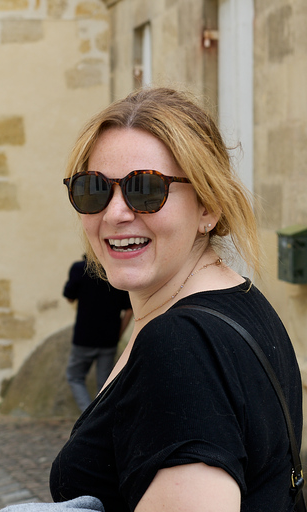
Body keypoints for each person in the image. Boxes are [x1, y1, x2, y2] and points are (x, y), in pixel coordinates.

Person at [50, 87, 302, 511]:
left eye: (146, 189)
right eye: (94, 189)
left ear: (209, 207)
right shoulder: (243, 303)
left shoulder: (180, 344)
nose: (115, 213)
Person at [63, 255, 132, 412]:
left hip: (84, 337)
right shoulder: (117, 271)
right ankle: (98, 420)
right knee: (105, 385)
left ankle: (88, 417)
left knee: (74, 377)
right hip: (109, 339)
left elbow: (69, 296)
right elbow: (129, 309)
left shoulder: (80, 268)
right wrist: (119, 333)